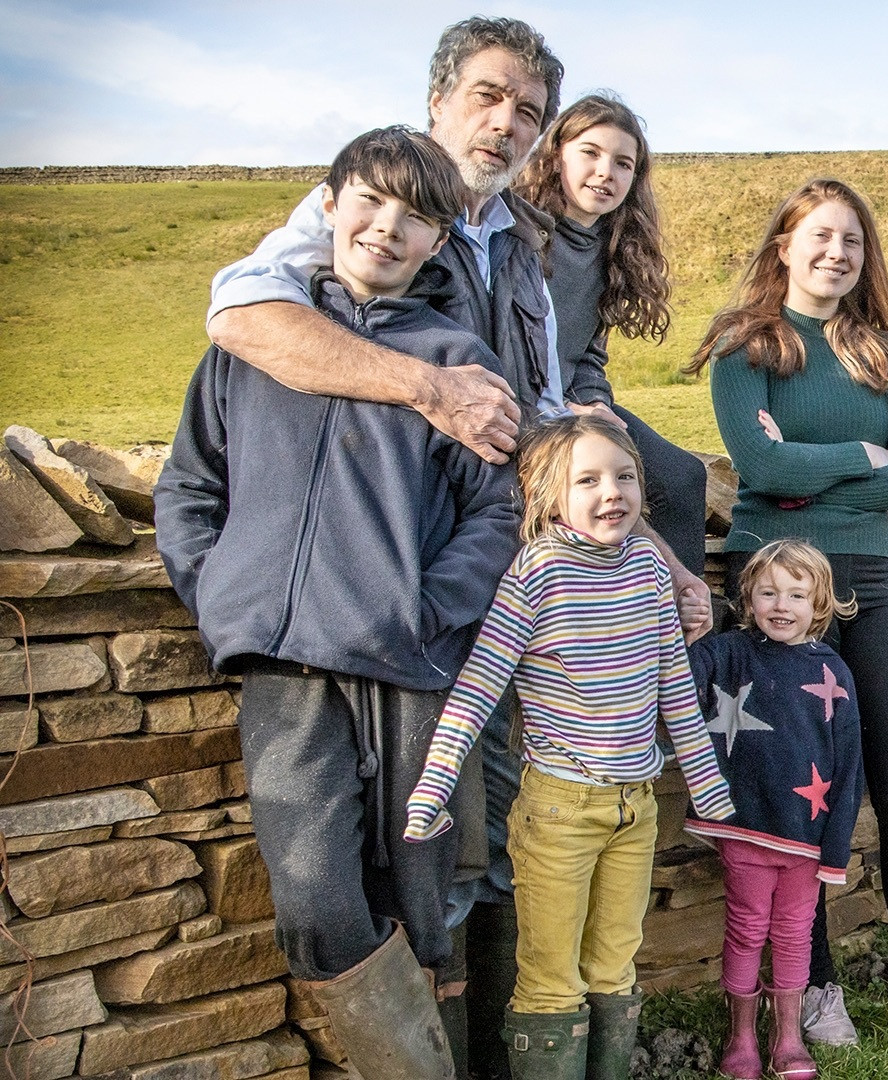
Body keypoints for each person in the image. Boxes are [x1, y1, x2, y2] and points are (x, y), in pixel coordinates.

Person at [202, 23, 708, 1070]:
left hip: (522, 589)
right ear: (439, 101)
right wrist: (426, 390)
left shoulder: (518, 247)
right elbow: (241, 314)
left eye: (528, 112)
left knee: (512, 844)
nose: (506, 124)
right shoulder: (372, 201)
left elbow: (552, 414)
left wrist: (654, 549)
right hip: (396, 600)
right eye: (489, 96)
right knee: (433, 857)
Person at [154, 126, 521, 1078]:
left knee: (424, 891)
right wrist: (220, 595)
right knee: (316, 900)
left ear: (440, 242)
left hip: (406, 667)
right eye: (371, 201)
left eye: (417, 219)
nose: (387, 228)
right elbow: (192, 488)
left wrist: (422, 606)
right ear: (329, 202)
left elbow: (495, 511)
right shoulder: (254, 343)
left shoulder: (458, 357)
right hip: (285, 664)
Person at [687, 178, 888, 1075]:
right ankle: (814, 984)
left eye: (852, 240)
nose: (836, 253)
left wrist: (804, 477)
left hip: (872, 578)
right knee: (791, 786)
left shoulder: (885, 352)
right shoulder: (746, 349)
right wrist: (858, 455)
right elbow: (754, 463)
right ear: (783, 246)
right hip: (777, 581)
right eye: (819, 237)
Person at [402, 413, 735, 1077]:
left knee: (614, 967)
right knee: (552, 977)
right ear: (549, 496)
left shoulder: (645, 567)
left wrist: (710, 788)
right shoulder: (536, 576)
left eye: (625, 477)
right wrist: (432, 790)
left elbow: (674, 685)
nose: (611, 491)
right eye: (588, 479)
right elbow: (477, 691)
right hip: (558, 811)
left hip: (633, 810)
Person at [682, 540, 863, 1080]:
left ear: (819, 604)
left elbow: (850, 765)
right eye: (769, 592)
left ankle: (787, 1035)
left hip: (806, 834)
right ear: (749, 598)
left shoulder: (833, 672)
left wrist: (836, 847)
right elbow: (681, 687)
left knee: (793, 933)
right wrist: (693, 635)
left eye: (796, 595)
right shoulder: (728, 653)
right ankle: (741, 1036)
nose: (782, 605)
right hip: (745, 826)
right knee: (745, 928)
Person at [515, 92, 712, 572]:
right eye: (590, 153)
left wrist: (596, 402)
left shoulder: (613, 250)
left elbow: (586, 354)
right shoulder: (518, 232)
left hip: (572, 402)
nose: (606, 171)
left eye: (623, 163)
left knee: (680, 477)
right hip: (519, 402)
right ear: (554, 153)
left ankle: (677, 615)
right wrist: (562, 408)